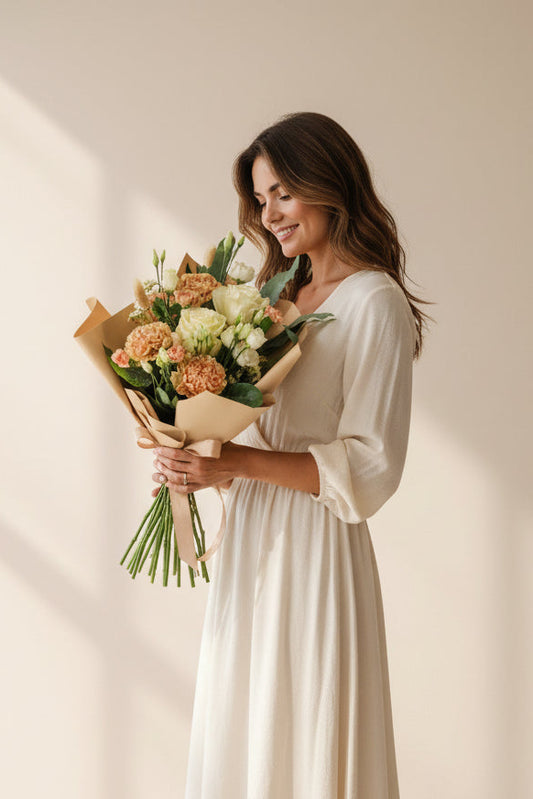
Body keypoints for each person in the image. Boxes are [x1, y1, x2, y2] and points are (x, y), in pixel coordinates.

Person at [152, 112, 428, 798]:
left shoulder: (374, 302)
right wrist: (193, 457)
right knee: (246, 721)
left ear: (329, 183)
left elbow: (371, 464)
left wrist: (235, 465)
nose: (269, 213)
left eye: (283, 192)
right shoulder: (267, 302)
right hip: (254, 538)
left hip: (316, 546)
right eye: (260, 197)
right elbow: (251, 437)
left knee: (304, 721)